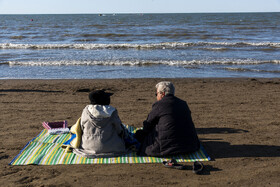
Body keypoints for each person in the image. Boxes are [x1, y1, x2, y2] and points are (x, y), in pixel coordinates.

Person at [135, 81, 200, 156]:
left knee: (140, 135)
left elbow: (148, 125)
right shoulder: (183, 103)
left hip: (165, 148)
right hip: (190, 146)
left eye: (156, 94)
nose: (156, 97)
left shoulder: (159, 105)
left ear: (162, 94)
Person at [73, 90, 127, 158]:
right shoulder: (112, 111)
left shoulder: (86, 111)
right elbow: (119, 130)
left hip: (88, 147)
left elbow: (82, 127)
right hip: (113, 148)